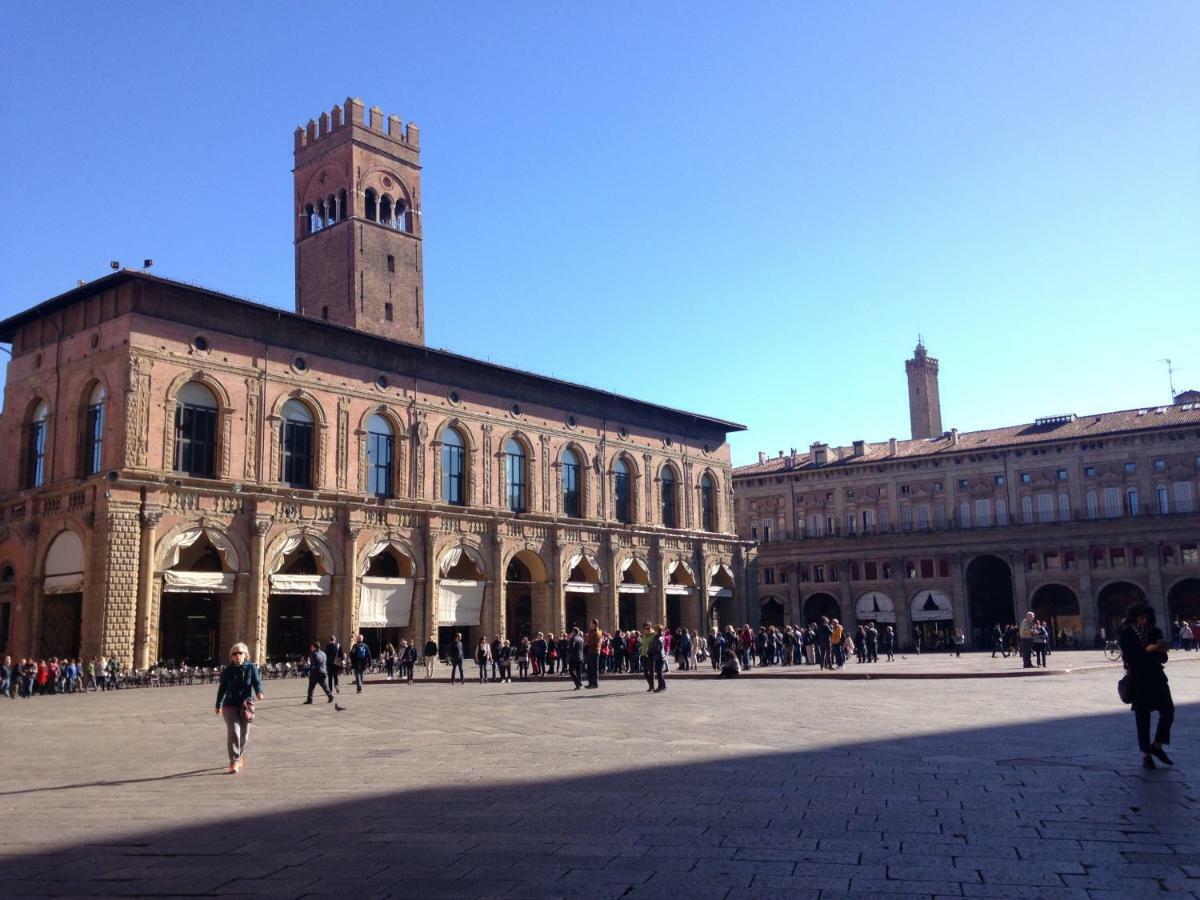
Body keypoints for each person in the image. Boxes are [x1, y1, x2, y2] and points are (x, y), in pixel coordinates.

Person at [1118, 603, 1175, 770]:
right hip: (1138, 680)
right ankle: (1146, 755)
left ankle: (1157, 745)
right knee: (1143, 719)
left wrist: (1161, 651)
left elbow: (1163, 659)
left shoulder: (1155, 632)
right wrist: (1148, 650)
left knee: (1168, 712)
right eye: (1141, 618)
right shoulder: (1127, 634)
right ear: (1134, 618)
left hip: (1157, 677)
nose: (1144, 621)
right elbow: (1130, 658)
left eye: (1146, 618)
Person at [215, 642, 264, 774]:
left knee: (244, 734)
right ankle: (234, 761)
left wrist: (259, 692)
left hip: (245, 705)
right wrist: (218, 704)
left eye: (240, 653)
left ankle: (239, 755)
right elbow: (222, 688)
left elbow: (257, 682)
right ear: (231, 656)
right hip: (229, 704)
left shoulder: (251, 667)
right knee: (234, 732)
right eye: (234, 654)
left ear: (245, 654)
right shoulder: (228, 670)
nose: (237, 656)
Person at [650, 625, 668, 692]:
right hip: (660, 656)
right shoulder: (659, 637)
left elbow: (657, 648)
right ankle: (663, 686)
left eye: (655, 630)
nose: (654, 631)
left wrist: (652, 651)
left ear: (657, 630)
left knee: (659, 673)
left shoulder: (658, 638)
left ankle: (660, 687)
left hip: (659, 656)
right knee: (659, 672)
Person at [585, 619, 602, 688]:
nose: (590, 625)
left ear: (595, 624)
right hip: (590, 651)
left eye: (591, 624)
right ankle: (590, 683)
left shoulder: (597, 632)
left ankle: (595, 684)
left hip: (594, 651)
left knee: (594, 668)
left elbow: (593, 642)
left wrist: (587, 639)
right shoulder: (591, 631)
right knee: (589, 668)